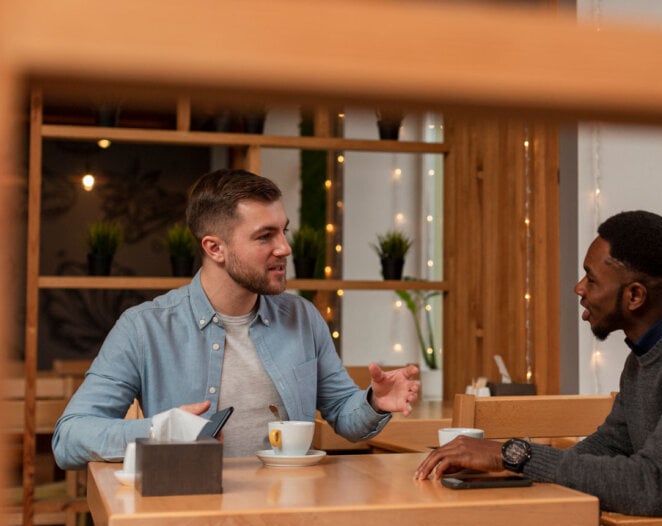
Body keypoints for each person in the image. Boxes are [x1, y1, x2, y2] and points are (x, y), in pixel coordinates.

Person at [416, 210, 662, 517]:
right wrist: (503, 466)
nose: (579, 288)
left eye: (591, 279)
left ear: (635, 295)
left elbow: (653, 487)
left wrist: (513, 454)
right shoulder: (647, 353)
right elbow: (610, 445)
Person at [53, 169, 420, 469]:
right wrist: (162, 431)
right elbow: (69, 438)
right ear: (215, 248)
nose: (285, 248)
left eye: (283, 230)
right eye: (265, 236)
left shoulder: (303, 318)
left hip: (289, 513)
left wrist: (374, 402)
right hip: (192, 515)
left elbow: (344, 414)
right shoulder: (143, 328)